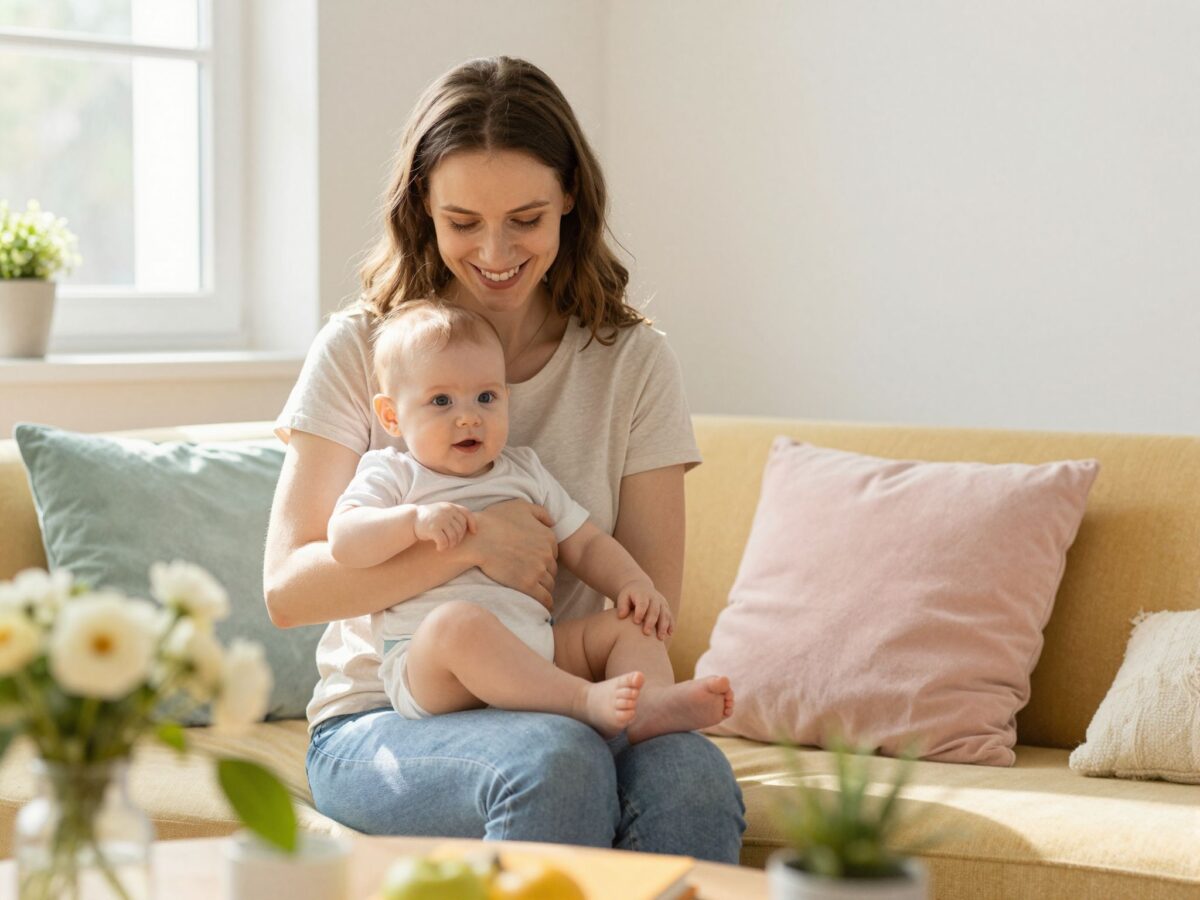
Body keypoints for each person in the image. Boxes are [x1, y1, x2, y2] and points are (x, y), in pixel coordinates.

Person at [265, 55, 746, 859]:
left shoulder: (631, 362)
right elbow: (288, 592)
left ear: (570, 201)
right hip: (386, 716)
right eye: (463, 222)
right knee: (554, 761)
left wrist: (608, 679)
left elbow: (648, 595)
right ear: (423, 209)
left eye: (526, 218)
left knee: (689, 779)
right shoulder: (362, 350)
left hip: (571, 683)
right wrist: (482, 542)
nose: (495, 252)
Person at [327, 300, 735, 738]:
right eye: (441, 401)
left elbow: (586, 543)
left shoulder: (524, 472)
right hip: (432, 670)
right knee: (456, 622)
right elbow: (344, 539)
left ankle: (650, 704)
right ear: (391, 415)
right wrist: (411, 522)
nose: (469, 416)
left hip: (539, 652)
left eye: (486, 397)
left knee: (630, 627)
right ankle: (580, 700)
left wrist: (631, 584)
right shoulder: (393, 473)